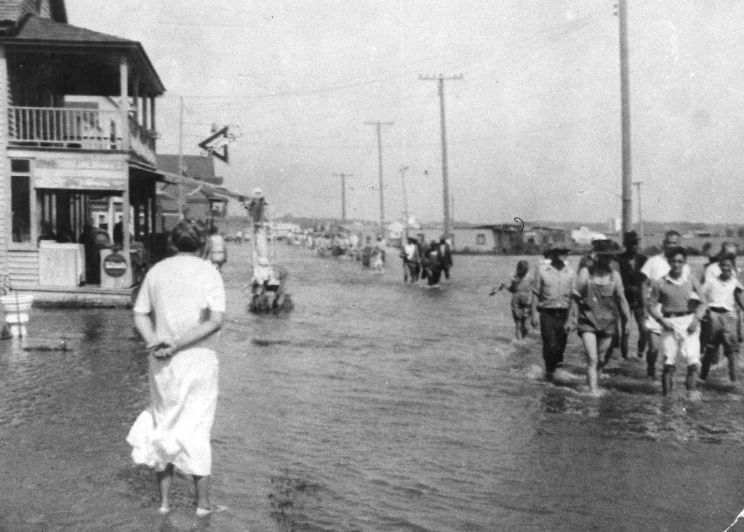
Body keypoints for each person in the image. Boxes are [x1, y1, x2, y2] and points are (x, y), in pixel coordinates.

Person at [127, 220, 225, 516]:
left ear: (173, 244)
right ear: (203, 245)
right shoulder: (209, 272)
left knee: (165, 423)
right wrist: (179, 344)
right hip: (196, 360)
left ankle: (165, 503)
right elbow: (215, 320)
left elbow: (140, 313)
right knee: (197, 428)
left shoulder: (157, 271)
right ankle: (203, 506)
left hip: (161, 362)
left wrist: (155, 342)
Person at [567, 240, 630, 395]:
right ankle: (592, 392)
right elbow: (575, 297)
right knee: (593, 359)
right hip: (588, 321)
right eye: (605, 256)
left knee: (601, 359)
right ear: (598, 256)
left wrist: (627, 320)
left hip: (608, 323)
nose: (608, 260)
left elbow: (621, 299)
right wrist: (571, 318)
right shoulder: (585, 273)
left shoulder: (615, 276)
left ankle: (593, 380)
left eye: (611, 257)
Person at [646, 246, 706, 396]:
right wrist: (660, 320)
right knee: (669, 364)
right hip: (669, 323)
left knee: (693, 364)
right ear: (669, 262)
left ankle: (690, 394)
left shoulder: (690, 279)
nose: (677, 265)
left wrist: (696, 319)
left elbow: (703, 302)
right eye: (673, 261)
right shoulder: (660, 283)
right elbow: (651, 305)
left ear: (685, 262)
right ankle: (666, 398)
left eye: (680, 261)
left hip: (689, 322)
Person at [640, 230, 690, 379]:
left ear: (679, 244)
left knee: (673, 352)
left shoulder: (683, 265)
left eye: (674, 243)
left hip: (674, 313)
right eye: (668, 242)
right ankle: (651, 373)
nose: (670, 246)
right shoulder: (653, 261)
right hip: (655, 310)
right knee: (654, 348)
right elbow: (643, 285)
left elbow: (687, 289)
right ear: (663, 243)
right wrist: (644, 308)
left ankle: (668, 379)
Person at [531, 243, 576, 379]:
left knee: (560, 345)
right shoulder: (542, 270)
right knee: (549, 343)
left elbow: (574, 298)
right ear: (552, 254)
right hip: (547, 313)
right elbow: (535, 293)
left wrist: (571, 318)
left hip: (564, 313)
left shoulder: (571, 272)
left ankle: (556, 369)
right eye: (557, 252)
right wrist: (533, 314)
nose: (561, 255)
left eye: (563, 252)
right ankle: (549, 371)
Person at [700, 253, 744, 382]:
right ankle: (702, 378)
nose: (726, 268)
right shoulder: (711, 281)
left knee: (732, 352)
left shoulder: (735, 283)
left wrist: (739, 327)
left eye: (728, 266)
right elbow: (701, 296)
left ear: (733, 267)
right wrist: (705, 311)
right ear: (719, 266)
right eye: (723, 265)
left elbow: (739, 300)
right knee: (710, 349)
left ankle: (733, 382)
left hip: (729, 317)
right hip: (713, 315)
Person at [616, 231, 648, 359]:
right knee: (625, 329)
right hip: (625, 298)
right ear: (626, 244)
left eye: (636, 243)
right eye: (632, 243)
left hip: (640, 299)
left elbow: (647, 280)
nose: (635, 245)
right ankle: (624, 357)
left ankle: (640, 353)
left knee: (644, 329)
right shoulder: (619, 259)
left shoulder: (643, 259)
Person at [492, 260, 533, 340]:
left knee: (522, 325)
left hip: (522, 301)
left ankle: (522, 342)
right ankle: (521, 342)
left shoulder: (526, 278)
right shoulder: (521, 278)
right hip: (521, 302)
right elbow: (513, 290)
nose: (524, 272)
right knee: (521, 324)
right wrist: (505, 286)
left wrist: (505, 287)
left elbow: (513, 290)